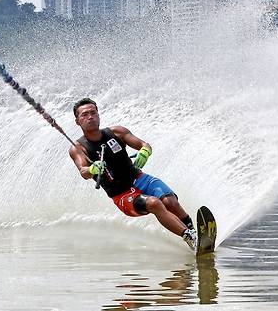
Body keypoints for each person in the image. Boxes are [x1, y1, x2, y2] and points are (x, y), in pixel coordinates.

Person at [68, 98, 197, 251]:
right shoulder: (78, 148)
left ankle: (196, 235)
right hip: (122, 195)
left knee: (170, 202)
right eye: (84, 114)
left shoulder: (117, 132)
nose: (90, 117)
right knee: (154, 203)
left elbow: (144, 144)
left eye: (93, 112)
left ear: (98, 115)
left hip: (140, 178)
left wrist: (144, 151)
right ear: (77, 121)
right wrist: (92, 169)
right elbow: (83, 171)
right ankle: (190, 237)